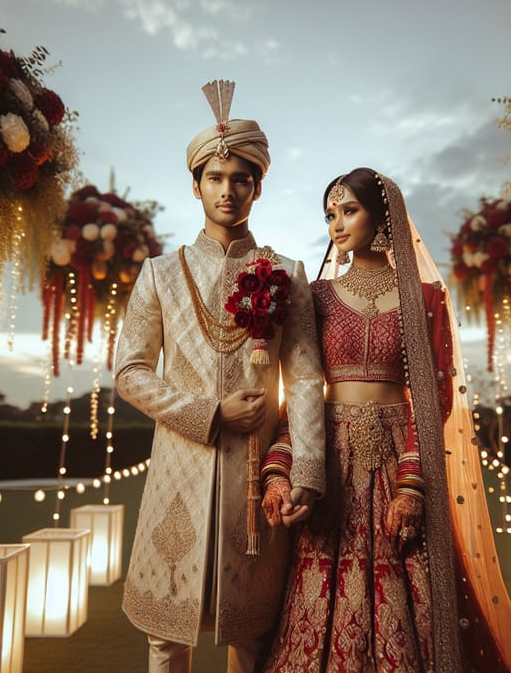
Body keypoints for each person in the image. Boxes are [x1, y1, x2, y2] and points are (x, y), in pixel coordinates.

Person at [260, 167, 511, 672]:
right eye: (329, 215)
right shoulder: (317, 296)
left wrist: (413, 482)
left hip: (397, 455)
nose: (336, 226)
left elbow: (433, 397)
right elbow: (299, 393)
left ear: (383, 215)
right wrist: (280, 470)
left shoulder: (424, 299)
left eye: (348, 211)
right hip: (328, 460)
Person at [114, 80, 326, 673]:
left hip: (259, 479)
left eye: (240, 179)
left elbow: (306, 378)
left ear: (258, 187)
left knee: (253, 635)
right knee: (165, 637)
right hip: (176, 473)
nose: (227, 190)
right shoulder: (159, 274)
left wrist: (306, 470)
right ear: (196, 185)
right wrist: (208, 413)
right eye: (215, 178)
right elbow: (129, 372)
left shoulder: (288, 272)